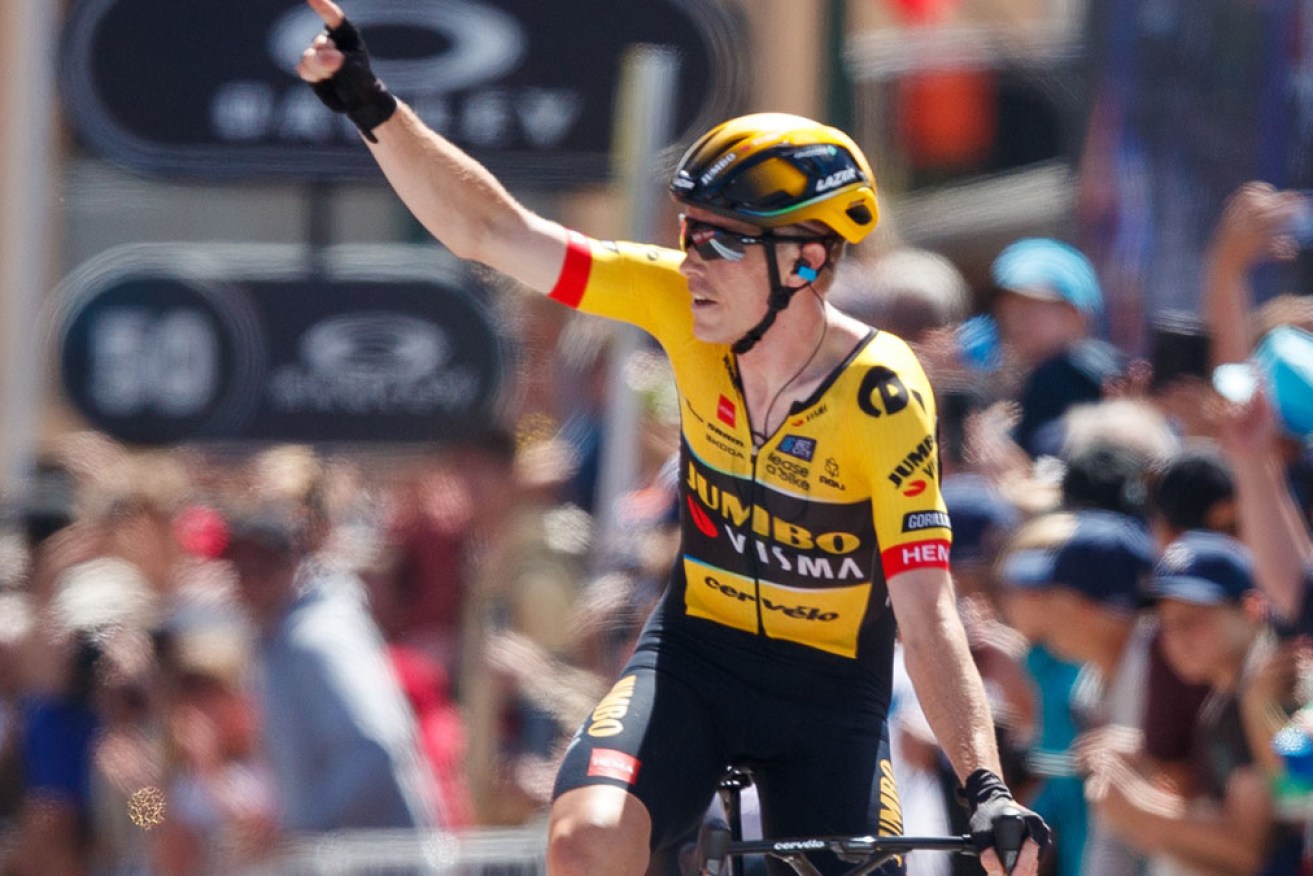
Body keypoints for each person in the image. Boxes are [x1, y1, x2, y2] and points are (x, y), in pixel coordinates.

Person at [294, 4, 1050, 875]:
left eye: (720, 243)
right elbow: (491, 231)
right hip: (694, 661)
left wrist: (983, 785)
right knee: (585, 844)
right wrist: (369, 104)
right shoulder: (672, 303)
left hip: (829, 698)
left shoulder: (881, 395)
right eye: (688, 233)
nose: (689, 260)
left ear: (804, 261)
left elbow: (924, 606)